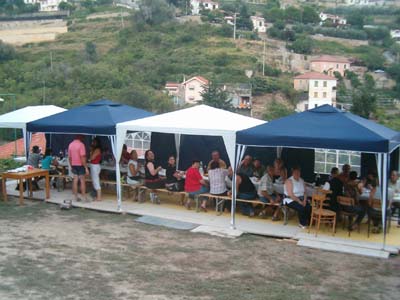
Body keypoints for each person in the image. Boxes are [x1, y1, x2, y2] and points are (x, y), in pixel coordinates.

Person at [68, 135, 89, 202]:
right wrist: (86, 168)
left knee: (75, 181)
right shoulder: (81, 145)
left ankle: (76, 197)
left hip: (74, 164)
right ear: (80, 138)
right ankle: (84, 197)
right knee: (82, 181)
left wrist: (71, 166)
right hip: (80, 165)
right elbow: (82, 157)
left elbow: (69, 157)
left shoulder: (70, 144)